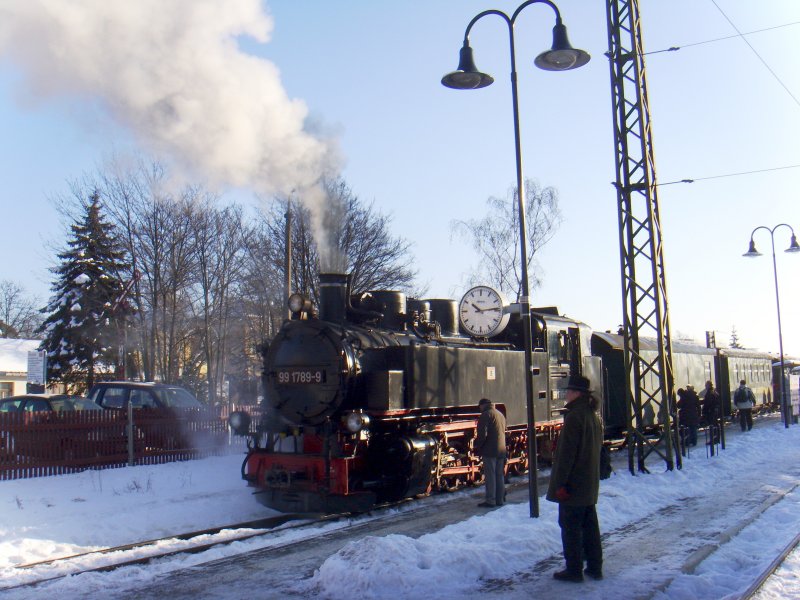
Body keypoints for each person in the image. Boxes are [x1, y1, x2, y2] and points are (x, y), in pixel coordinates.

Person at [546, 375, 603, 583]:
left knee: (570, 527)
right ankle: (595, 567)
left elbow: (566, 456)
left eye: (569, 391)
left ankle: (574, 569)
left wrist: (561, 484)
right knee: (590, 528)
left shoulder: (574, 418)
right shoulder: (591, 416)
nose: (566, 394)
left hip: (574, 485)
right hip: (588, 484)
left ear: (577, 394)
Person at [474, 398, 506, 508]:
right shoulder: (500, 414)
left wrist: (479, 447)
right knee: (499, 475)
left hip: (489, 450)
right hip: (501, 449)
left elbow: (482, 434)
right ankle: (500, 499)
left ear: (483, 405)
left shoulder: (485, 415)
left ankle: (490, 500)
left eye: (480, 407)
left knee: (490, 476)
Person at [702, 380, 721, 449]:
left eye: (706, 385)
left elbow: (708, 403)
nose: (705, 386)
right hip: (713, 411)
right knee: (715, 425)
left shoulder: (710, 392)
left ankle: (714, 439)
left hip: (711, 412)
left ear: (709, 385)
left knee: (712, 425)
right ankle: (716, 439)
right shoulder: (714, 391)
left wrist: (705, 410)